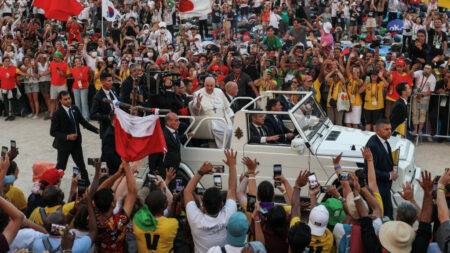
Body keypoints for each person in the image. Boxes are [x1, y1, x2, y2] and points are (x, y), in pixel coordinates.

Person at [183, 150, 238, 253]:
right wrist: (232, 165)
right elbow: (232, 189)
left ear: (203, 206)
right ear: (222, 204)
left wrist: (201, 172)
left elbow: (187, 192)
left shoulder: (196, 220)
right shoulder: (228, 216)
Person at [50, 90, 99, 183]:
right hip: (63, 146)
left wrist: (97, 130)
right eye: (65, 99)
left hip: (76, 144)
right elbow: (53, 132)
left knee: (81, 166)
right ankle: (52, 187)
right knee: (60, 168)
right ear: (60, 101)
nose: (68, 101)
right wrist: (67, 136)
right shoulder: (57, 114)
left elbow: (84, 122)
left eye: (69, 98)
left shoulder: (75, 109)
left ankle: (87, 186)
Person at [93, 161, 137, 253]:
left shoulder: (94, 214)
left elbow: (99, 190)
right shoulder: (120, 220)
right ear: (113, 204)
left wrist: (118, 174)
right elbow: (132, 192)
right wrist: (127, 167)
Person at [365, 118, 396, 219]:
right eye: (386, 129)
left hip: (385, 186)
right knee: (385, 213)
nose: (389, 131)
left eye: (390, 129)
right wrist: (389, 175)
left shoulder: (385, 141)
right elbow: (370, 170)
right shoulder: (373, 145)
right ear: (377, 131)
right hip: (379, 188)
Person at [133, 189, 180, 253]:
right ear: (165, 206)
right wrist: (174, 201)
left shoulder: (137, 223)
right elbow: (171, 211)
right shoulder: (173, 224)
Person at [193, 77, 234, 148]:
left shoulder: (219, 91)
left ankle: (231, 148)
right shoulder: (197, 94)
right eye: (207, 85)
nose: (209, 88)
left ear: (214, 85)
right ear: (204, 84)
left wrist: (232, 118)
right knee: (228, 132)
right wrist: (198, 103)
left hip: (223, 119)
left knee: (234, 130)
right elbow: (196, 113)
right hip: (210, 120)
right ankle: (225, 149)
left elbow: (227, 107)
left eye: (211, 86)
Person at [148, 112, 188, 177]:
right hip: (163, 171)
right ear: (168, 122)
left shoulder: (174, 132)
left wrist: (186, 136)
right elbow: (154, 153)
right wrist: (153, 170)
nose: (179, 122)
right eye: (176, 120)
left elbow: (175, 142)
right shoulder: (162, 135)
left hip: (174, 170)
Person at [91, 71, 118, 138]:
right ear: (102, 82)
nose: (111, 82)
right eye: (109, 81)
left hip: (117, 127)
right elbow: (92, 115)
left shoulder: (113, 89)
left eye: (112, 80)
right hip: (107, 130)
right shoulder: (98, 97)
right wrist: (107, 117)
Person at [49, 51, 69, 118]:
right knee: (52, 99)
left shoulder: (65, 64)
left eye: (56, 56)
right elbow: (49, 71)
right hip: (53, 85)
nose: (54, 58)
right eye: (54, 56)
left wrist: (62, 74)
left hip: (62, 85)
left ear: (60, 57)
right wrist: (41, 74)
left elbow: (67, 76)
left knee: (64, 100)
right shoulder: (51, 63)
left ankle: (65, 113)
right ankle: (52, 114)